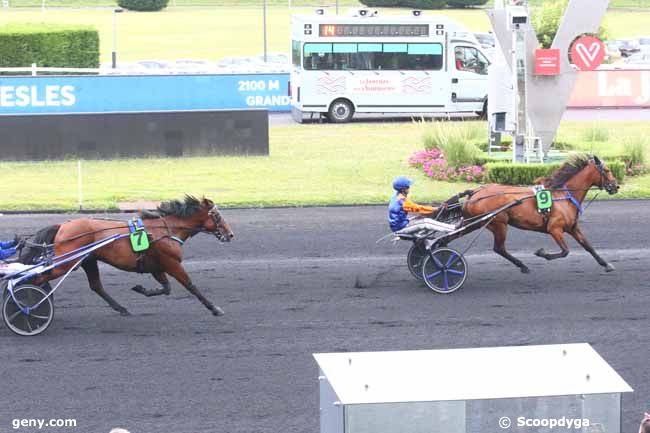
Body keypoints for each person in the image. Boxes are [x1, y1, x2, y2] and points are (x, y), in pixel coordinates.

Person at [388, 176, 458, 236]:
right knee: (426, 222)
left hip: (398, 225)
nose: (409, 187)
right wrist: (436, 209)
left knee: (420, 218)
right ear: (403, 189)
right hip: (401, 228)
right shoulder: (402, 200)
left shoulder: (396, 196)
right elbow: (419, 208)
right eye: (408, 186)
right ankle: (453, 228)